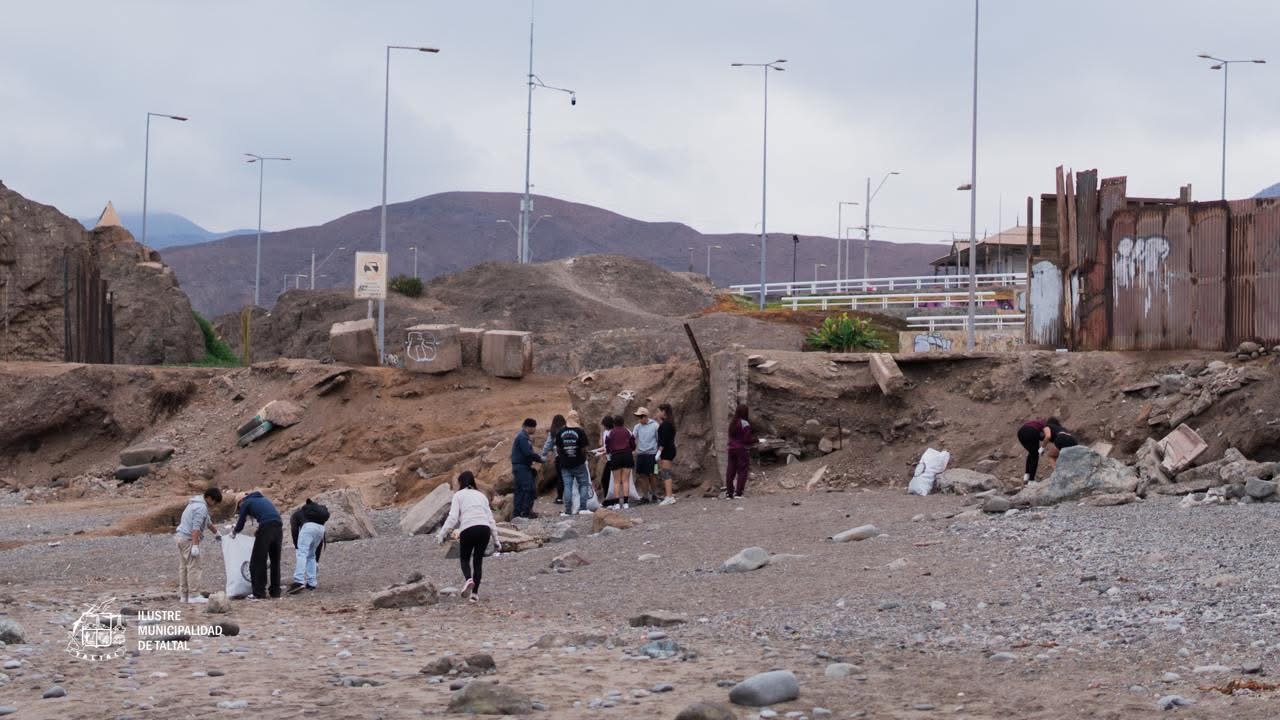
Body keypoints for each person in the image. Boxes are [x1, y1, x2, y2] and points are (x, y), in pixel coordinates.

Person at [435, 471, 499, 603]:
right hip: (484, 529)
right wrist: (497, 540)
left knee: (464, 558)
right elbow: (491, 519)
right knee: (478, 561)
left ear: (460, 483)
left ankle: (469, 579)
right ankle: (475, 594)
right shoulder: (481, 496)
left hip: (468, 529)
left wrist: (442, 534)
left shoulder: (458, 495)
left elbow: (453, 518)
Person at [232, 490, 284, 599]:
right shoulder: (263, 499)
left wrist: (234, 531)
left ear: (241, 501)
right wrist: (260, 528)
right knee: (275, 561)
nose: (240, 509)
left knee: (257, 562)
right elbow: (270, 516)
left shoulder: (246, 502)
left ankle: (259, 593)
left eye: (239, 507)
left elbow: (241, 523)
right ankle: (275, 592)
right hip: (278, 527)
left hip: (267, 527)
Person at [175, 487, 222, 604]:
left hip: (180, 538)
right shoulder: (201, 507)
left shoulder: (195, 503)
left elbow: (208, 522)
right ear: (210, 498)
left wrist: (216, 532)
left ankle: (184, 596)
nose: (214, 505)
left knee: (183, 568)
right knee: (194, 567)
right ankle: (194, 595)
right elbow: (195, 527)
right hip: (188, 540)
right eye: (215, 502)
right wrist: (195, 545)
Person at [287, 498, 329, 595]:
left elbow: (294, 530)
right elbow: (320, 541)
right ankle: (312, 582)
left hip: (308, 528)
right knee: (311, 556)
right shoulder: (316, 515)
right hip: (321, 529)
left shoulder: (296, 515)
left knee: (302, 554)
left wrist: (296, 544)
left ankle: (299, 581)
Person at [555, 411, 594, 515]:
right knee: (583, 484)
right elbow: (584, 448)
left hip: (565, 464)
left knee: (567, 486)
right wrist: (585, 456)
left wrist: (564, 456)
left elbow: (558, 449)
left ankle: (568, 510)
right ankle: (583, 508)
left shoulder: (560, 432)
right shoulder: (580, 431)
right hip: (579, 463)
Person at [1017, 417, 1076, 483]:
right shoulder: (1061, 428)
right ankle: (1072, 471)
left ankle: (1058, 473)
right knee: (1034, 453)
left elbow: (1047, 436)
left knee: (1044, 455)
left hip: (1021, 433)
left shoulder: (1047, 426)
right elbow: (1044, 437)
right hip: (1073, 440)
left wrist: (1042, 448)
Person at [511, 418, 543, 519]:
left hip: (520, 466)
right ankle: (526, 512)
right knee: (530, 489)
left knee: (520, 490)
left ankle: (518, 513)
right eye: (534, 427)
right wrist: (539, 458)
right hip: (522, 467)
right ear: (528, 427)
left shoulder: (523, 436)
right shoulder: (522, 438)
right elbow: (527, 453)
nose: (535, 430)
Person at [725, 403, 757, 499]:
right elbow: (746, 440)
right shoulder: (745, 423)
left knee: (730, 470)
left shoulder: (732, 423)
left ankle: (729, 493)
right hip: (741, 450)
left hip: (731, 449)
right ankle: (738, 493)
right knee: (742, 470)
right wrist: (756, 439)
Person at [605, 413, 636, 509]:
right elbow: (633, 444)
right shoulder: (628, 431)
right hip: (627, 455)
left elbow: (607, 446)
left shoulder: (610, 432)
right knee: (625, 480)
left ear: (614, 423)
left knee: (616, 481)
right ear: (623, 422)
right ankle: (626, 503)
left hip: (615, 456)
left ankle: (617, 503)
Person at [631, 407, 661, 504]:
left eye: (641, 416)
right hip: (641, 454)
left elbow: (659, 439)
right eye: (638, 417)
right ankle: (645, 496)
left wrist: (659, 453)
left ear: (646, 416)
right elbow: (632, 438)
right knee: (642, 475)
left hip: (652, 455)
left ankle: (654, 494)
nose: (639, 418)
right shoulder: (637, 427)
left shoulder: (655, 426)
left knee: (654, 474)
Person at [541, 414, 568, 504]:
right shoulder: (567, 430)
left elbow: (548, 445)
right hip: (570, 456)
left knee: (560, 478)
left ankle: (560, 498)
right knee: (570, 477)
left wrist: (543, 455)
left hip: (559, 457)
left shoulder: (553, 432)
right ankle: (571, 497)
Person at [656, 403, 678, 506]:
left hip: (666, 450)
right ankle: (669, 495)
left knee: (666, 473)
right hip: (670, 449)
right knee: (666, 472)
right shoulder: (669, 423)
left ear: (663, 412)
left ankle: (669, 496)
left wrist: (659, 451)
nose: (657, 413)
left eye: (659, 411)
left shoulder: (666, 424)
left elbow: (663, 440)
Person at [594, 416, 617, 507]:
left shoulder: (609, 433)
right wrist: (596, 450)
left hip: (612, 458)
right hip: (610, 458)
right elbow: (606, 447)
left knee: (606, 479)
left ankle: (611, 500)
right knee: (608, 479)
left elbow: (609, 448)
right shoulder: (608, 432)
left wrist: (599, 453)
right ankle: (611, 499)